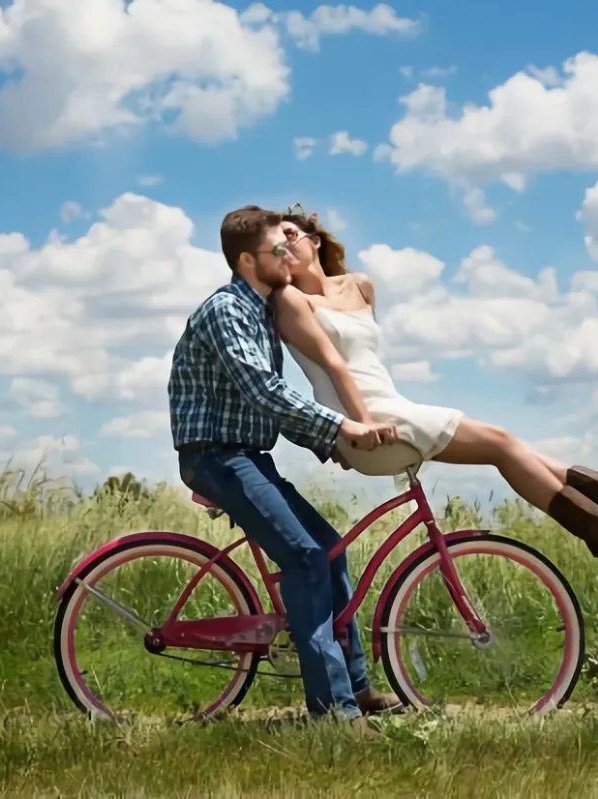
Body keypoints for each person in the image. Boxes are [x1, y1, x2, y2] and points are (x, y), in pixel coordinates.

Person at [271, 206, 598, 561]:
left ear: (314, 239)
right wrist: (356, 427)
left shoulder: (360, 287)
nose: (283, 247)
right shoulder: (291, 301)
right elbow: (334, 367)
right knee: (501, 443)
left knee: (506, 444)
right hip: (368, 423)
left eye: (289, 235)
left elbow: (367, 362)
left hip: (391, 406)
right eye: (274, 244)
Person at [166, 205, 403, 736]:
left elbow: (272, 407)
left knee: (331, 550)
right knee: (306, 558)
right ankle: (333, 712)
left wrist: (333, 443)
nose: (288, 257)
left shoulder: (261, 313)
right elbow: (264, 392)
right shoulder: (227, 310)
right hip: (216, 456)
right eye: (279, 249)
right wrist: (343, 427)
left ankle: (357, 688)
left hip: (249, 455)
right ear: (249, 260)